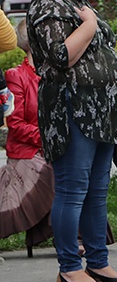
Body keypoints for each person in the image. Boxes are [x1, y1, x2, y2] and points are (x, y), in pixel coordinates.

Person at [27, 0, 117, 282]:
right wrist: (88, 25)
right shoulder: (48, 2)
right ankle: (69, 268)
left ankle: (98, 261)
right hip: (70, 109)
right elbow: (60, 57)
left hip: (102, 111)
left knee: (97, 191)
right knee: (73, 190)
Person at [0, 20, 55, 251]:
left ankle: (73, 234)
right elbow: (16, 124)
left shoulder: (55, 75)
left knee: (76, 169)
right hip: (28, 149)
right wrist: (48, 140)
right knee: (55, 173)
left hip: (51, 147)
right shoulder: (16, 75)